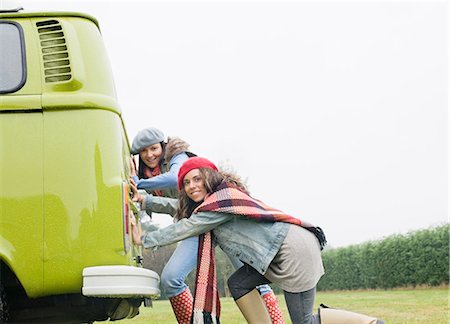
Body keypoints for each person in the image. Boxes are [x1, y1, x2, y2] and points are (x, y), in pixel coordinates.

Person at [131, 157, 326, 324]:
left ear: (209, 177)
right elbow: (180, 208)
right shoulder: (220, 199)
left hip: (292, 251)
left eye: (197, 179)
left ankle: (357, 320)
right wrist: (145, 200)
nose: (191, 186)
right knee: (239, 283)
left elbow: (187, 226)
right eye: (187, 183)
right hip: (287, 247)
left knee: (304, 321)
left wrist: (145, 239)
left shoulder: (217, 205)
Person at [130, 130, 284, 323]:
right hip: (197, 226)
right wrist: (145, 200)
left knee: (252, 278)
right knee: (170, 279)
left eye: (153, 148)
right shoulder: (154, 175)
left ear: (163, 145)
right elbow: (183, 207)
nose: (149, 154)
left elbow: (175, 180)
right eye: (143, 151)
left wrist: (141, 184)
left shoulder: (177, 157)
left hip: (223, 225)